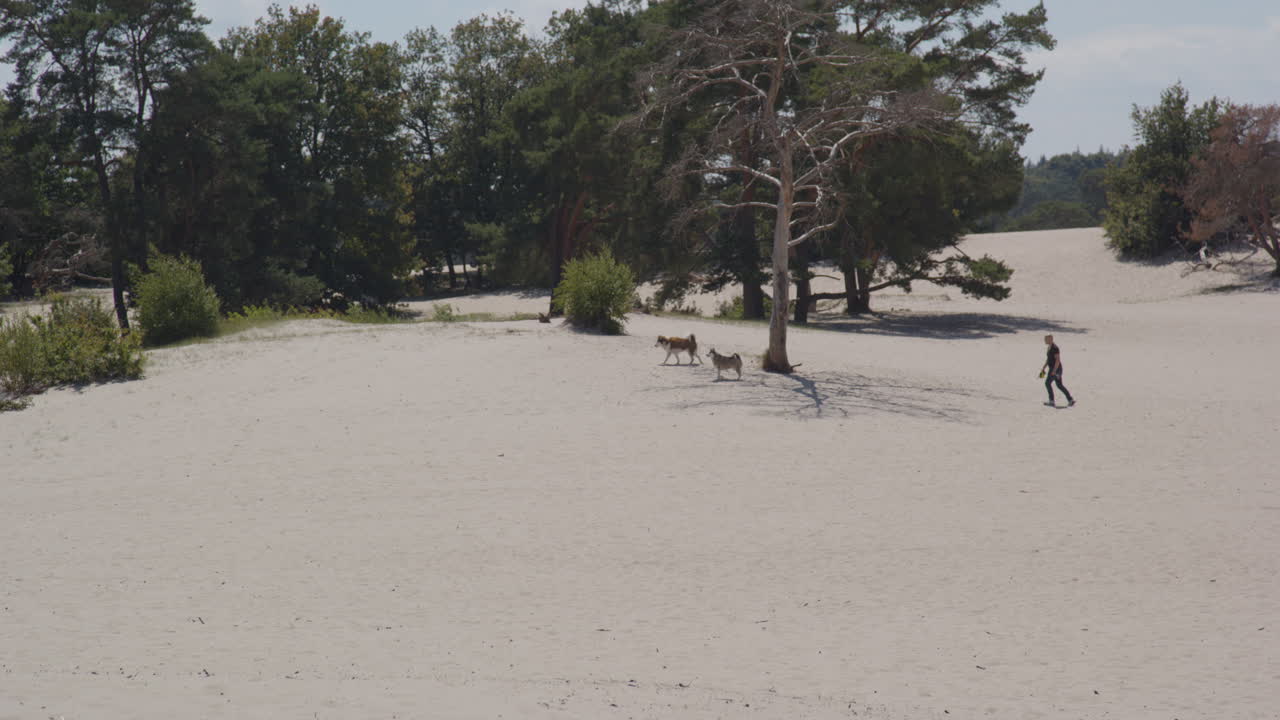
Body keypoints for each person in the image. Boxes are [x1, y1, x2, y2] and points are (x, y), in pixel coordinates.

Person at [1040, 334, 1075, 408]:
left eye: (1046, 339)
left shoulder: (1055, 348)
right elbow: (1049, 359)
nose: (1045, 340)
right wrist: (1044, 367)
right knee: (1059, 385)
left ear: (1050, 339)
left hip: (1056, 369)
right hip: (1053, 368)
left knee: (1047, 383)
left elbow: (1057, 361)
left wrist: (1054, 371)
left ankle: (1051, 401)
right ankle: (1070, 399)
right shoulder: (1049, 347)